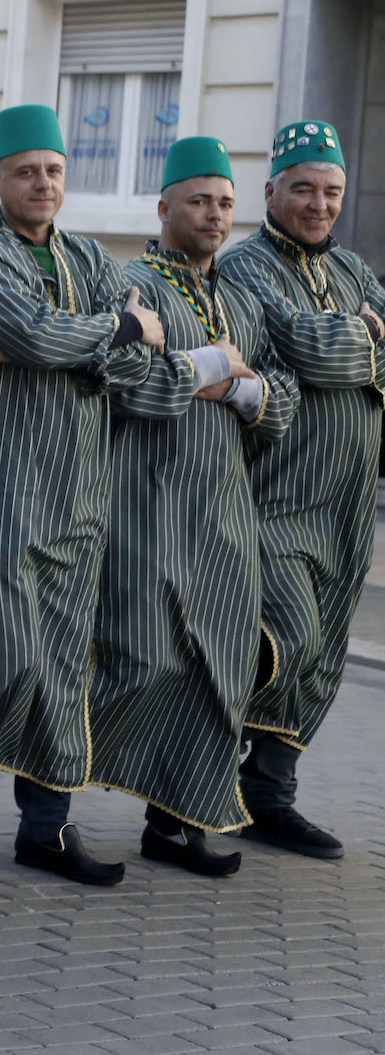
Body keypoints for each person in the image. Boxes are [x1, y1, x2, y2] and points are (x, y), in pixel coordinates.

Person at [0, 105, 164, 885]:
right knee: (12, 654)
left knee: (66, 666)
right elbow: (32, 333)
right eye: (25, 170)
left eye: (53, 170)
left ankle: (48, 827)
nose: (42, 183)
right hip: (7, 484)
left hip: (81, 493)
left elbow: (135, 369)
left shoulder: (95, 257)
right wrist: (113, 334)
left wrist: (98, 346)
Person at [89, 135, 296, 877]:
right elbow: (120, 378)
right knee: (146, 660)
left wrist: (244, 390)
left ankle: (177, 822)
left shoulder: (240, 296)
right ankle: (44, 782)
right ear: (165, 206)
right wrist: (199, 371)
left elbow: (283, 399)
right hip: (149, 499)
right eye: (200, 200)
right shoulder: (132, 284)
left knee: (223, 664)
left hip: (225, 510)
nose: (213, 215)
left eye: (225, 203)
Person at [220, 119, 385, 859]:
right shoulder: (249, 265)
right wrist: (365, 340)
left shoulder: (353, 271)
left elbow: (327, 344)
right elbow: (304, 345)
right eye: (305, 189)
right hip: (281, 494)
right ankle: (206, 773)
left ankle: (271, 796)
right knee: (283, 636)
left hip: (350, 499)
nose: (319, 204)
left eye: (332, 192)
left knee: (323, 657)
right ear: (271, 191)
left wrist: (347, 338)